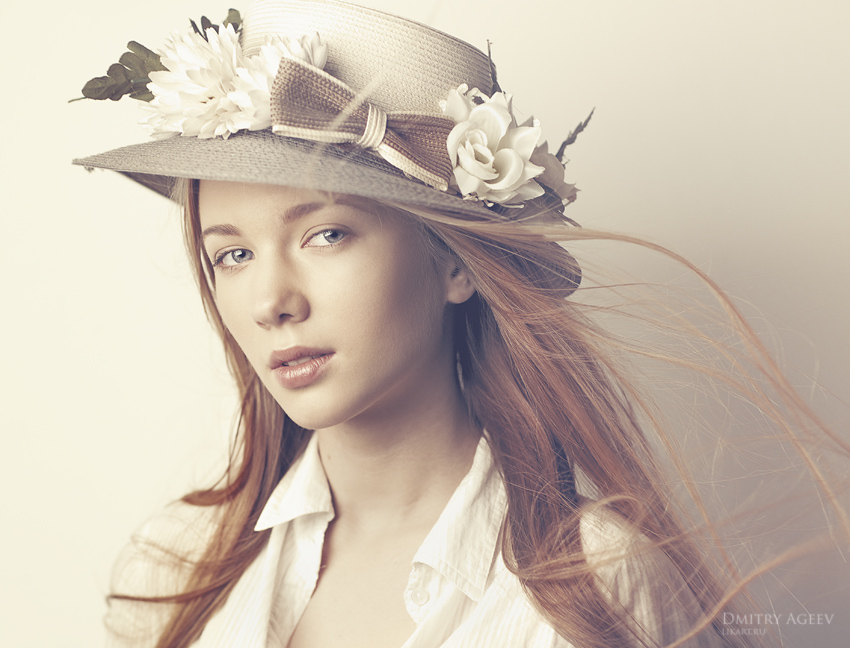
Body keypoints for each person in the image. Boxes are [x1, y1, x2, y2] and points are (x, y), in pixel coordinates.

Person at [72, 1, 849, 647]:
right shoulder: (177, 567)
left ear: (454, 264)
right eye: (232, 255)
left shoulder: (597, 588)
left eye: (326, 235)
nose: (271, 300)